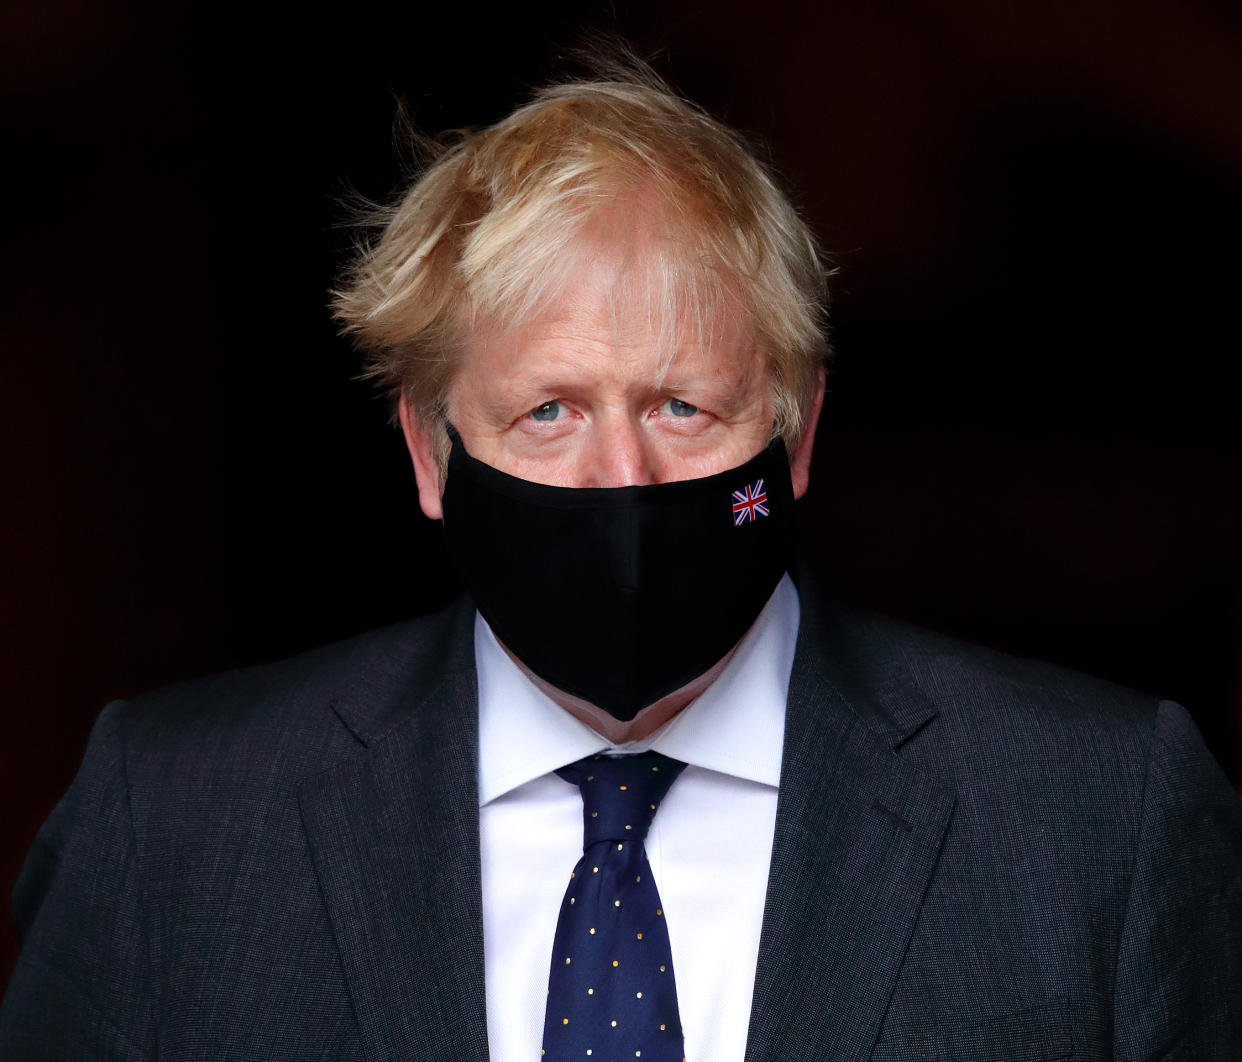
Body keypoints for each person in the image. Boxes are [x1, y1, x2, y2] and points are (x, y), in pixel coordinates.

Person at [3, 59, 1241, 1062]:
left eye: (682, 409)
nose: (624, 480)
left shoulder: (1102, 820)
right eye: (547, 414)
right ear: (431, 460)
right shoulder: (165, 824)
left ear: (796, 436)